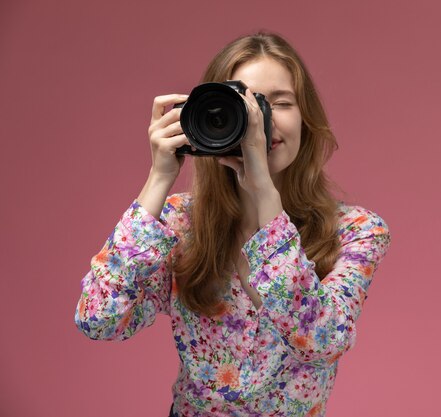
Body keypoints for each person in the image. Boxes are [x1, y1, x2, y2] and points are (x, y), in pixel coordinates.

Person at [75, 32, 390, 417]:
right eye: (248, 106)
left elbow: (319, 342)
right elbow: (100, 319)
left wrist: (264, 195)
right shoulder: (178, 225)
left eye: (280, 103)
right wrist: (158, 178)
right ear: (211, 116)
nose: (261, 121)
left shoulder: (356, 230)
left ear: (307, 119)